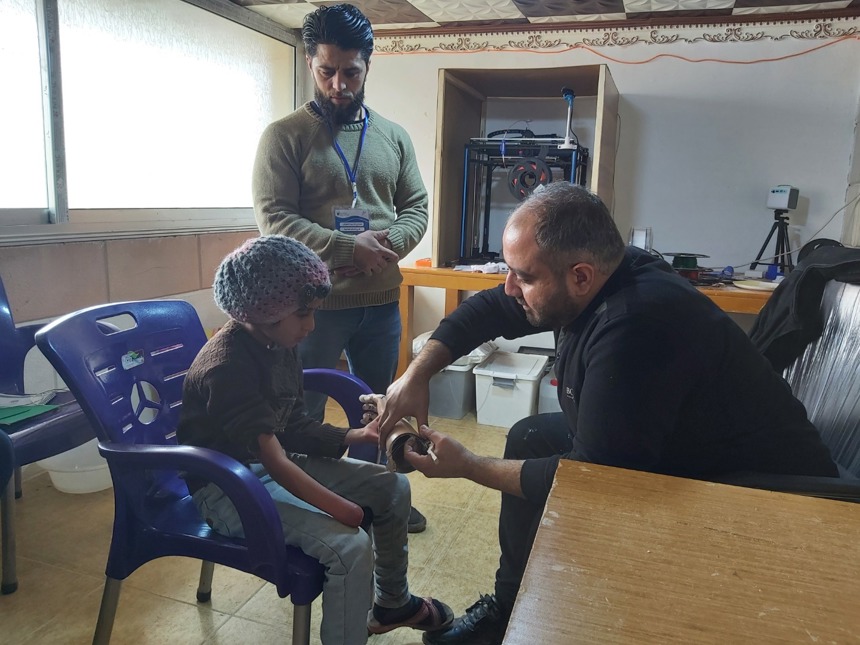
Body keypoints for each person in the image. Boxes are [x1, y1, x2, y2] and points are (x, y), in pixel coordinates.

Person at [376, 182, 840, 645]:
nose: (509, 286)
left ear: (580, 276)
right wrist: (416, 375)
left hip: (757, 489)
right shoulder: (607, 270)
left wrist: (469, 467)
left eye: (524, 276)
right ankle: (508, 604)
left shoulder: (635, 325)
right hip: (674, 441)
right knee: (531, 436)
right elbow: (489, 308)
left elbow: (595, 477)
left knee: (558, 464)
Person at [177, 235, 452, 644]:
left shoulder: (277, 341)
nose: (311, 325)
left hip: (269, 464)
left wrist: (356, 434)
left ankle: (392, 603)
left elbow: (290, 426)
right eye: (303, 313)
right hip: (227, 488)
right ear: (261, 312)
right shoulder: (228, 367)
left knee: (392, 486)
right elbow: (273, 460)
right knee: (350, 547)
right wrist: (343, 510)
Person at [252, 2, 429, 533]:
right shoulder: (282, 137)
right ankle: (304, 500)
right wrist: (348, 248)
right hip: (310, 308)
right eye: (326, 70)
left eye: (350, 72)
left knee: (381, 407)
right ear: (311, 63)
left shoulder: (394, 137)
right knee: (297, 409)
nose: (338, 85)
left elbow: (417, 204)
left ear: (368, 66)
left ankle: (382, 493)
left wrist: (389, 243)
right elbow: (274, 220)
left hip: (380, 302)